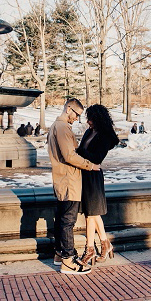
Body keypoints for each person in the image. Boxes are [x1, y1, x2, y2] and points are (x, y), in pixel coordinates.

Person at [47, 98, 100, 275]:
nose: (77, 118)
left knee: (62, 218)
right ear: (69, 109)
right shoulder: (61, 127)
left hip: (63, 179)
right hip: (69, 180)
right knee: (68, 221)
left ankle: (59, 254)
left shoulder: (57, 126)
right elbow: (69, 155)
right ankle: (68, 261)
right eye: (76, 114)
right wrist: (90, 165)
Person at [76, 105, 120, 266]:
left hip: (93, 175)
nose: (88, 121)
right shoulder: (89, 131)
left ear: (98, 119)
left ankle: (90, 249)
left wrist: (78, 151)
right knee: (91, 213)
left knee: (91, 213)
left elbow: (97, 158)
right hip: (85, 174)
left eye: (91, 118)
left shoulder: (104, 136)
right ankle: (104, 244)